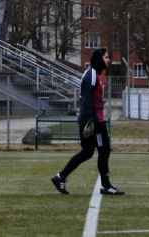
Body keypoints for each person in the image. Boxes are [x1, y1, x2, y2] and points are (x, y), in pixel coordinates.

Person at [51, 47, 124, 195]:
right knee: (103, 151)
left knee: (88, 152)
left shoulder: (93, 74)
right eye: (106, 57)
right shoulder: (91, 74)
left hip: (93, 118)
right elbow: (86, 99)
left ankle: (60, 177)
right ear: (99, 58)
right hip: (95, 120)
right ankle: (106, 186)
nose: (108, 60)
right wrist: (90, 121)